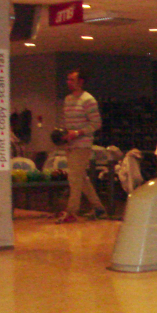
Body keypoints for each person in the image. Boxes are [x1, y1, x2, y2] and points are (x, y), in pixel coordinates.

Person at [56, 70, 107, 224]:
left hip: (83, 145)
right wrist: (65, 136)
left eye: (72, 79)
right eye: (68, 79)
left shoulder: (88, 100)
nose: (68, 82)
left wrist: (78, 133)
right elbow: (67, 123)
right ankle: (99, 209)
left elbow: (96, 124)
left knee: (74, 179)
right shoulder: (68, 99)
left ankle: (72, 212)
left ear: (81, 82)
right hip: (70, 145)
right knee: (81, 179)